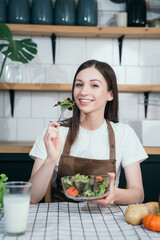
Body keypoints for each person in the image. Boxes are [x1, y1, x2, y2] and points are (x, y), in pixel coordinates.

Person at [29, 59, 148, 206]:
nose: (83, 92)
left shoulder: (124, 133)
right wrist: (50, 160)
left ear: (110, 95)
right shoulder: (54, 133)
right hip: (61, 219)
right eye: (79, 84)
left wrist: (114, 194)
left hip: (105, 219)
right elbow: (32, 197)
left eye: (94, 85)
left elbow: (138, 194)